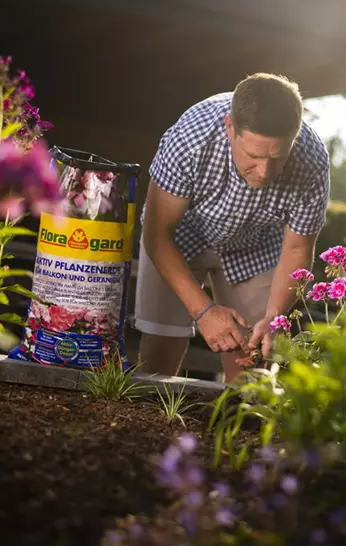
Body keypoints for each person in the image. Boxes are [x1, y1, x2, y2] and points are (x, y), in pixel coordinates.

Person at [132, 72, 331, 382]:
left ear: (295, 136)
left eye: (277, 157)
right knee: (162, 343)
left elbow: (296, 248)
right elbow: (157, 234)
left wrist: (275, 318)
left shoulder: (312, 160)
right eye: (253, 156)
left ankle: (235, 425)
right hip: (180, 236)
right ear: (230, 128)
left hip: (255, 244)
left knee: (254, 357)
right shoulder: (190, 138)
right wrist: (203, 312)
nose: (265, 172)